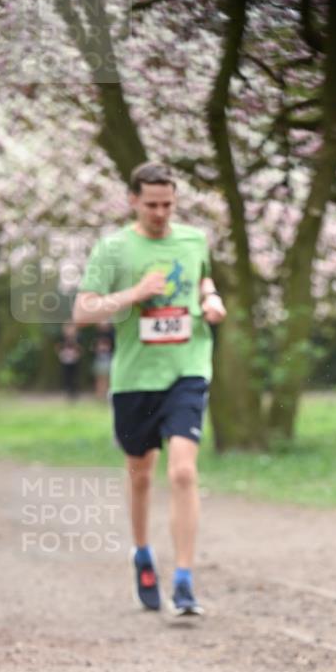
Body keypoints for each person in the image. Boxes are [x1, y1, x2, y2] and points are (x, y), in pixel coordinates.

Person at [73, 162, 226, 615]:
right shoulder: (113, 248)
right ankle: (142, 552)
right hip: (135, 378)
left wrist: (210, 298)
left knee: (182, 472)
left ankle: (184, 580)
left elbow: (202, 276)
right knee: (140, 473)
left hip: (187, 368)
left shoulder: (193, 240)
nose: (160, 213)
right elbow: (83, 311)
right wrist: (134, 294)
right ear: (133, 201)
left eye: (168, 205)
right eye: (152, 205)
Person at [56, 322, 83, 400]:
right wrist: (61, 354)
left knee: (75, 375)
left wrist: (75, 344)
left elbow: (80, 349)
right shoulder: (62, 338)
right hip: (65, 360)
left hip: (75, 360)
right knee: (66, 376)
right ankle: (67, 391)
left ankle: (75, 392)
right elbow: (58, 347)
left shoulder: (78, 338)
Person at [92, 322, 115, 400]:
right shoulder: (97, 335)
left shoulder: (112, 335)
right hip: (99, 359)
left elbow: (114, 346)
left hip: (109, 358)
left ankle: (108, 394)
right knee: (99, 378)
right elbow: (92, 347)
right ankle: (99, 395)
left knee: (109, 378)